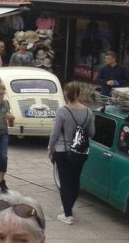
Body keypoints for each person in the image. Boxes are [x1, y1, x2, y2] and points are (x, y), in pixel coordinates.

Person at [48, 82, 95, 225]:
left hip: (63, 151)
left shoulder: (62, 111)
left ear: (66, 94)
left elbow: (55, 133)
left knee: (65, 181)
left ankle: (67, 214)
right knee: (75, 180)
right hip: (79, 152)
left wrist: (50, 147)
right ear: (79, 93)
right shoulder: (88, 112)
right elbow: (92, 133)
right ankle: (69, 205)